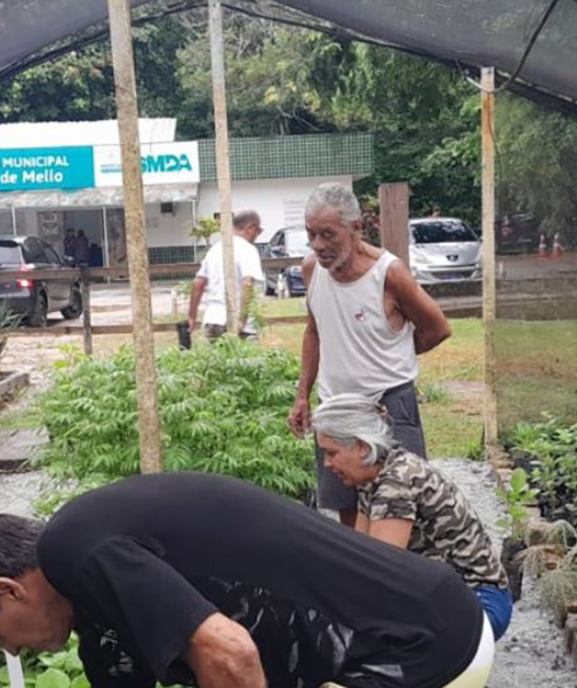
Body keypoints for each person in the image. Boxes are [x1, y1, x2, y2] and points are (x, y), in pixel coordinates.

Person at [0, 473, 495, 688]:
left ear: (10, 589)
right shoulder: (93, 598)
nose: (5, 648)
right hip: (425, 622)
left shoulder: (73, 547)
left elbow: (231, 654)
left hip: (417, 642)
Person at [287, 182, 452, 527]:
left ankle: (403, 580)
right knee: (348, 517)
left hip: (388, 406)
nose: (319, 246)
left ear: (356, 228)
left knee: (400, 509)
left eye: (328, 235)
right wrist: (302, 395)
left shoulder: (389, 274)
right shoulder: (311, 270)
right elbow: (314, 331)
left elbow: (437, 328)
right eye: (311, 235)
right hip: (334, 409)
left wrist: (395, 355)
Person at [312, 394, 513, 641]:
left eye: (331, 453)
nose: (327, 464)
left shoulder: (397, 484)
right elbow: (359, 555)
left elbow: (379, 576)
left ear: (363, 446)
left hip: (478, 601)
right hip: (445, 593)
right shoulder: (374, 474)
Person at [187, 210, 265, 340]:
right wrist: (242, 320)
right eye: (258, 231)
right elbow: (247, 283)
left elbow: (198, 283)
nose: (258, 236)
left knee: (217, 360)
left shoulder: (215, 249)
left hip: (213, 319)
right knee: (245, 360)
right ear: (250, 228)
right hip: (240, 326)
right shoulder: (248, 250)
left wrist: (192, 316)